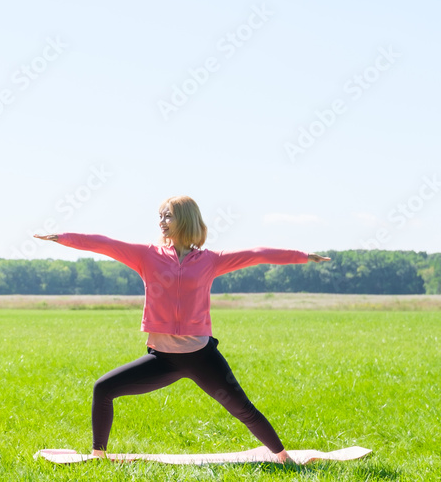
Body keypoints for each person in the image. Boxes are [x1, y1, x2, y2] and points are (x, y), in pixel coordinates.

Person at [34, 195, 330, 464]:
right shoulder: (146, 256)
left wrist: (303, 256)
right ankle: (98, 455)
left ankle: (282, 456)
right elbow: (105, 244)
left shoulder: (210, 261)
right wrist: (63, 237)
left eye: (168, 216)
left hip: (201, 356)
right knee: (104, 388)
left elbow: (257, 253)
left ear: (185, 220)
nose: (162, 222)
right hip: (162, 359)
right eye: (160, 216)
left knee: (243, 409)